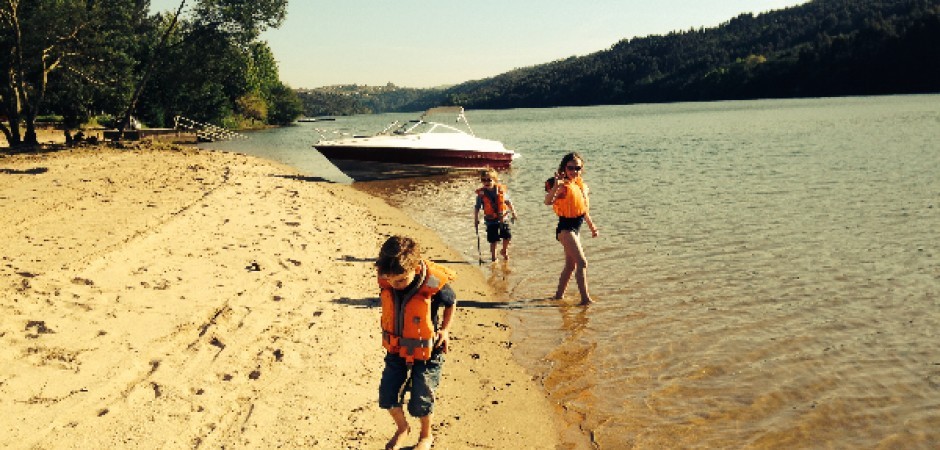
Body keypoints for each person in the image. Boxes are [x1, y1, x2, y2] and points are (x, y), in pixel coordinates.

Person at [376, 235, 458, 450]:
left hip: (428, 350)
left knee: (422, 397)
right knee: (387, 396)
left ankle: (426, 435)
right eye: (390, 279)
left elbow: (451, 302)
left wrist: (446, 330)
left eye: (401, 280)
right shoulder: (389, 277)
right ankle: (403, 428)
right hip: (396, 348)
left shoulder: (433, 284)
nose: (395, 285)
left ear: (415, 267)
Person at [544, 152, 599, 305]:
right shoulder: (563, 186)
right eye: (570, 168)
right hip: (565, 229)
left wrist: (592, 226)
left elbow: (582, 209)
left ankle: (558, 296)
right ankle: (585, 299)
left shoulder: (578, 185)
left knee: (570, 266)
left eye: (577, 168)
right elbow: (548, 202)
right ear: (564, 168)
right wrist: (555, 186)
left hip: (576, 228)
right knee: (582, 263)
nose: (574, 171)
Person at [474, 168, 518, 261]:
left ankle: (504, 250)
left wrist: (514, 212)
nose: (486, 182)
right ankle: (494, 257)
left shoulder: (500, 190)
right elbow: (477, 207)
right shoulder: (481, 194)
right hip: (490, 220)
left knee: (507, 236)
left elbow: (508, 202)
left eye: (489, 180)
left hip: (503, 218)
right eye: (483, 180)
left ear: (495, 179)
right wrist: (476, 219)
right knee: (493, 240)